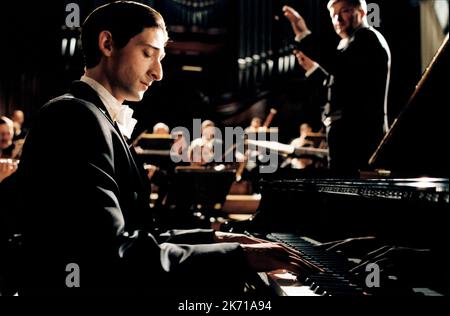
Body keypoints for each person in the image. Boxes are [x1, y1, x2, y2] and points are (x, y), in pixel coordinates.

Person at [8, 1, 317, 295]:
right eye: (148, 53)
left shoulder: (92, 116)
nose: (159, 73)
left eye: (161, 58)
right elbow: (110, 255)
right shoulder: (74, 116)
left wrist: (214, 237)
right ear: (107, 44)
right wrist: (234, 257)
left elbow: (133, 235)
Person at [283, 0, 391, 174]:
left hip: (359, 139)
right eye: (333, 14)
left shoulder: (367, 38)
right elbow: (336, 85)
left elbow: (340, 66)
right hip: (346, 139)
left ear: (362, 12)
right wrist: (312, 68)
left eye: (344, 11)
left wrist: (304, 35)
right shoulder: (348, 44)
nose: (337, 19)